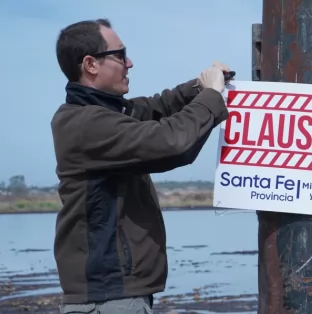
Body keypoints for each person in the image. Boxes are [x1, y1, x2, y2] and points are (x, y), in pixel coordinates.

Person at [51, 18, 230, 313]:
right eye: (120, 55)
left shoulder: (101, 114)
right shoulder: (87, 124)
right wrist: (211, 95)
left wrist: (198, 87)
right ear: (90, 65)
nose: (129, 63)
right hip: (108, 298)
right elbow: (172, 142)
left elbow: (156, 107)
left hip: (113, 296)